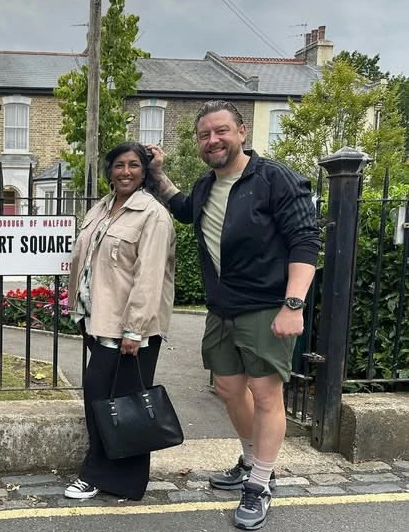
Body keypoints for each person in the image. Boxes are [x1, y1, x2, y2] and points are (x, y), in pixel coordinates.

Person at [147, 100, 319, 530]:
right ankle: (250, 460)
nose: (213, 140)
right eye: (204, 135)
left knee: (266, 395)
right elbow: (184, 208)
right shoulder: (207, 185)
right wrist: (157, 174)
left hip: (266, 306)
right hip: (222, 308)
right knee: (227, 387)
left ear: (242, 132)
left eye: (221, 130)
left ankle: (260, 484)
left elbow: (304, 241)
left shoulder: (273, 178)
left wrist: (293, 304)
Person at [65, 141, 176, 501]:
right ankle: (115, 476)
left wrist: (134, 330)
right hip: (100, 323)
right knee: (102, 399)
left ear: (144, 172)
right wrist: (79, 311)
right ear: (109, 171)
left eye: (133, 165)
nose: (125, 172)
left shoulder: (152, 214)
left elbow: (150, 277)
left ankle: (101, 475)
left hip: (131, 330)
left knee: (122, 404)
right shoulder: (101, 208)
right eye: (118, 165)